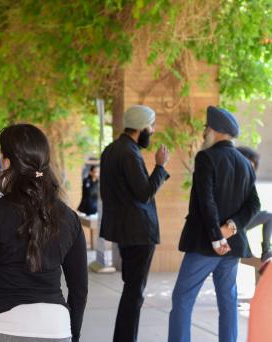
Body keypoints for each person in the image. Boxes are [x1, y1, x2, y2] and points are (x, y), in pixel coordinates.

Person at [0, 124, 88, 342]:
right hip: (55, 327)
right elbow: (79, 291)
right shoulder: (69, 218)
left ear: (7, 162)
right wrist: (72, 334)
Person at [168, 106, 260, 342]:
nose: (204, 132)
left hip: (205, 245)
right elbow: (254, 205)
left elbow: (206, 200)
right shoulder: (244, 162)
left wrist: (217, 237)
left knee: (182, 299)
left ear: (216, 131)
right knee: (228, 302)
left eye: (206, 128)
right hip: (231, 247)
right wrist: (231, 227)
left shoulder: (206, 157)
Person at [100, 105, 170, 342]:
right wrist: (160, 166)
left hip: (123, 231)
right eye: (151, 126)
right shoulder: (129, 153)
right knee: (134, 293)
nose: (152, 131)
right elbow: (144, 193)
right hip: (139, 233)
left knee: (130, 290)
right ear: (141, 128)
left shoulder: (110, 150)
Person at [236, 146, 272, 262]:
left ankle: (266, 252)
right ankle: (246, 252)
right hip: (233, 222)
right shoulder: (232, 178)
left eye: (252, 166)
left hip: (245, 219)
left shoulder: (248, 180)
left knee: (269, 216)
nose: (249, 169)